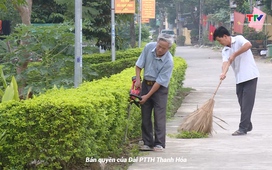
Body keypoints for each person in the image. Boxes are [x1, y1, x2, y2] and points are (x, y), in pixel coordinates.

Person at [213, 26, 259, 136]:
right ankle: (248, 124)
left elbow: (248, 45)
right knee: (242, 104)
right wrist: (223, 72)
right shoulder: (225, 50)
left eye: (220, 40)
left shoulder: (239, 39)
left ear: (225, 36)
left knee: (247, 104)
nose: (220, 43)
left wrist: (234, 54)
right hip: (239, 78)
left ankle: (242, 128)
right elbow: (225, 62)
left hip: (250, 76)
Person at [135, 33, 174, 151]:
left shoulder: (169, 61)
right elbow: (138, 65)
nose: (160, 49)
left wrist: (147, 96)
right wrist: (137, 80)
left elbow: (159, 82)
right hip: (145, 84)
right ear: (156, 42)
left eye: (163, 48)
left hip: (159, 89)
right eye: (159, 46)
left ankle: (159, 144)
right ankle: (147, 142)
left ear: (169, 48)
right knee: (145, 114)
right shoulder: (148, 47)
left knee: (159, 116)